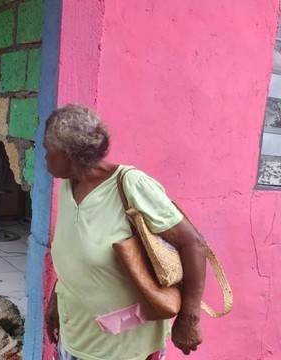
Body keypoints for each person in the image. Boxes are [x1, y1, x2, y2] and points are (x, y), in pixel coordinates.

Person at [43, 105, 206, 360]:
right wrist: (56, 301)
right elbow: (73, 255)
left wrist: (189, 318)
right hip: (75, 339)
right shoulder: (67, 186)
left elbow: (193, 243)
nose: (44, 157)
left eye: (47, 150)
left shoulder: (130, 184)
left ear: (67, 155)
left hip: (125, 349)